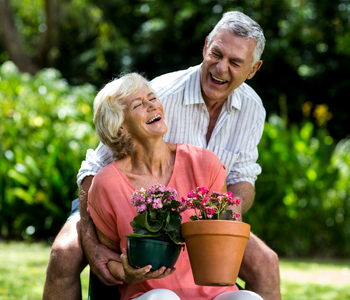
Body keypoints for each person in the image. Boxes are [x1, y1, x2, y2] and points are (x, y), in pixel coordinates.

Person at [43, 11, 281, 300]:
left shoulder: (253, 109)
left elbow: (242, 177)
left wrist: (221, 222)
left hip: (201, 213)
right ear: (206, 46)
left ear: (253, 69)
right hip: (123, 197)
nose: (220, 68)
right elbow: (94, 168)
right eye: (216, 54)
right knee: (64, 253)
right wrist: (92, 242)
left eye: (234, 62)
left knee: (266, 263)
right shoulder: (161, 95)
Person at [88, 72, 263, 300]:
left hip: (214, 293)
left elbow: (222, 232)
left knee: (249, 299)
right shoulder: (106, 184)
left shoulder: (204, 163)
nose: (152, 106)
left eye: (152, 98)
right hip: (150, 294)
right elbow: (109, 256)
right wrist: (127, 273)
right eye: (139, 105)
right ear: (121, 127)